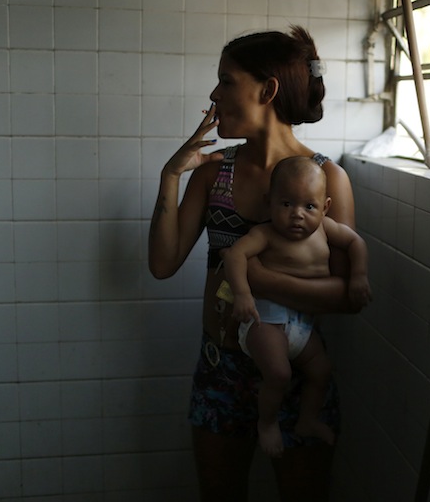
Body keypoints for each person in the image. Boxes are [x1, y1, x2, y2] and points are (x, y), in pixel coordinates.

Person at [148, 26, 362, 502]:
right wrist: (169, 176)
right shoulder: (213, 171)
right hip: (219, 370)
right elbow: (162, 264)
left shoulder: (326, 178)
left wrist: (256, 277)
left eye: (226, 81)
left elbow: (347, 296)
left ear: (267, 90)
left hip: (298, 373)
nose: (213, 94)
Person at [220, 156, 371, 458]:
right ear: (269, 202)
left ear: (325, 207)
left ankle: (307, 420)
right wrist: (243, 294)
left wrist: (359, 276)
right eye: (286, 204)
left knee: (322, 369)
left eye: (309, 207)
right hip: (265, 320)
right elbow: (234, 255)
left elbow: (356, 243)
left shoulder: (326, 229)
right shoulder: (265, 233)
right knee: (278, 373)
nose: (297, 215)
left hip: (302, 324)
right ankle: (267, 422)